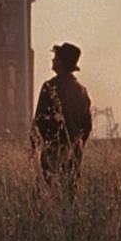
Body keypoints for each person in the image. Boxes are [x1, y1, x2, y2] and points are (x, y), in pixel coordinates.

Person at [31, 42, 93, 198]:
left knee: (51, 193)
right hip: (74, 152)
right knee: (70, 194)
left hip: (53, 150)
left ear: (60, 62)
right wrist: (78, 146)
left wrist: (35, 146)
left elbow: (39, 122)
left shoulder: (49, 87)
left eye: (55, 57)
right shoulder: (81, 91)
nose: (52, 60)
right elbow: (87, 126)